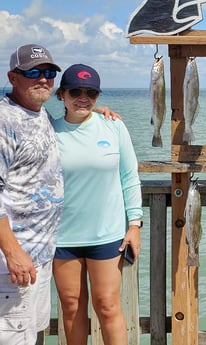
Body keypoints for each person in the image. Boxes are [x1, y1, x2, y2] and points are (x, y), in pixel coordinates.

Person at [50, 64, 143, 345]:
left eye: (91, 92)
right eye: (75, 91)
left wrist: (135, 224)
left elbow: (130, 175)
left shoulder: (113, 125)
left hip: (107, 234)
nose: (83, 97)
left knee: (108, 305)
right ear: (61, 95)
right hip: (62, 236)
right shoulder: (48, 131)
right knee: (71, 306)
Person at [0, 43, 64, 345]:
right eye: (33, 72)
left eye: (49, 72)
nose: (43, 79)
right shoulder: (4, 121)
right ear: (13, 78)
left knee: (33, 335)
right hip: (12, 264)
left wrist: (97, 111)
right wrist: (12, 252)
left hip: (39, 259)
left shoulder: (40, 115)